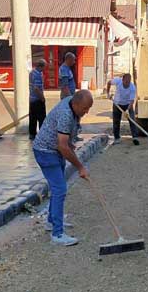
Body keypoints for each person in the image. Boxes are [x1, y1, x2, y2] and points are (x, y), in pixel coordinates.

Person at [32, 90, 93, 246]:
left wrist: (70, 144)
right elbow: (63, 146)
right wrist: (80, 167)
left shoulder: (71, 103)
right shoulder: (66, 113)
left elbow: (65, 141)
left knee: (58, 187)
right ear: (76, 104)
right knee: (60, 189)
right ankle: (57, 234)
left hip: (54, 150)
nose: (86, 112)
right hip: (46, 151)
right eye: (85, 108)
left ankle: (51, 221)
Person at [107, 73, 139, 146]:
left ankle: (135, 137)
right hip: (117, 104)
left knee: (132, 120)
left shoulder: (132, 87)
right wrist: (108, 93)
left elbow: (131, 101)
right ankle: (117, 138)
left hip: (128, 104)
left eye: (129, 81)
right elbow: (109, 83)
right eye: (126, 82)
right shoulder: (118, 81)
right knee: (116, 121)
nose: (127, 83)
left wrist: (127, 110)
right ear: (123, 80)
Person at [29, 59, 47, 140]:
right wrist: (42, 98)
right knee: (41, 117)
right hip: (37, 99)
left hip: (32, 99)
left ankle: (32, 134)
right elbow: (36, 88)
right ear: (41, 66)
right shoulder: (38, 74)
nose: (45, 69)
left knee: (33, 117)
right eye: (44, 67)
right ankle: (42, 134)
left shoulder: (32, 72)